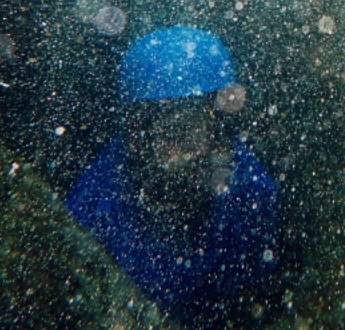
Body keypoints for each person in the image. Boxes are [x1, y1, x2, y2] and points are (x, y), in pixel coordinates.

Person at [66, 26, 280, 327]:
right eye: (171, 130)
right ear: (137, 136)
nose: (188, 152)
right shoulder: (93, 213)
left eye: (197, 126)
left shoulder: (253, 193)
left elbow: (259, 296)